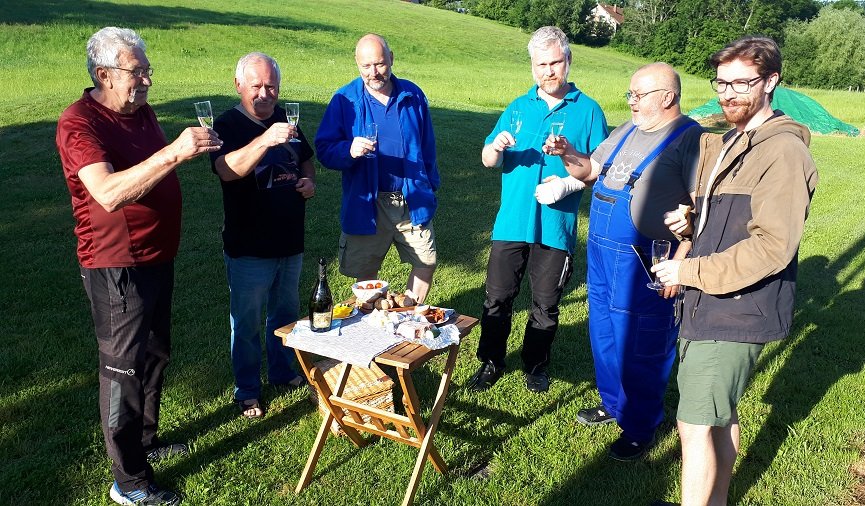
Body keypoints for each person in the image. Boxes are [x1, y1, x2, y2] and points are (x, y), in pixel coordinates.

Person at [56, 26, 222, 506]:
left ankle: (144, 442)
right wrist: (175, 151)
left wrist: (172, 156)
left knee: (154, 356)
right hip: (116, 266)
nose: (147, 80)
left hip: (156, 256)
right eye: (137, 71)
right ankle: (127, 482)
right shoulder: (78, 123)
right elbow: (107, 194)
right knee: (122, 372)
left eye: (148, 70)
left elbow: (149, 174)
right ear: (104, 74)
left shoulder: (140, 110)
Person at [652, 36, 818, 505]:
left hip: (736, 307)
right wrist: (692, 223)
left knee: (694, 424)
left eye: (742, 83)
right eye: (722, 83)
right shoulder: (729, 142)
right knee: (719, 416)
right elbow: (728, 222)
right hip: (709, 301)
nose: (729, 93)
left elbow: (772, 247)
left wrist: (687, 272)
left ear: (771, 82)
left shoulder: (782, 152)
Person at [543, 62, 703, 460]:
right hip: (602, 252)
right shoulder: (626, 131)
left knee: (642, 343)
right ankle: (614, 403)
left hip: (645, 259)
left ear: (667, 97)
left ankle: (640, 425)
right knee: (604, 332)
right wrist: (567, 153)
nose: (631, 101)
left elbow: (703, 210)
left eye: (639, 95)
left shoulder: (691, 139)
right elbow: (590, 171)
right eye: (630, 94)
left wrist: (680, 265)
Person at [467, 26, 608, 394]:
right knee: (497, 298)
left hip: (555, 226)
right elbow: (487, 160)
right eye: (541, 64)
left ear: (568, 61)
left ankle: (535, 365)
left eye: (555, 63)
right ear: (532, 66)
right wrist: (495, 147)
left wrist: (568, 178)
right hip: (511, 223)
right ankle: (491, 361)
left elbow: (600, 170)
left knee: (546, 303)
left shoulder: (588, 111)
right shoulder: (517, 107)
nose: (549, 71)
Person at [210, 52, 316, 419]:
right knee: (246, 323)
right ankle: (247, 390)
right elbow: (226, 170)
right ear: (238, 85)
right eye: (256, 85)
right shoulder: (227, 124)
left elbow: (305, 159)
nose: (264, 93)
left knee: (284, 317)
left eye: (271, 86)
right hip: (249, 245)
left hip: (290, 239)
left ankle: (282, 372)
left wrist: (309, 182)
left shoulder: (287, 118)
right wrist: (265, 139)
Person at [315, 33, 439, 303]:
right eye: (366, 66)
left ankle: (407, 314)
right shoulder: (344, 99)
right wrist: (348, 150)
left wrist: (430, 185)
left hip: (410, 197)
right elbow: (324, 149)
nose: (374, 72)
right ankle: (373, 319)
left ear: (391, 58)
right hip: (367, 202)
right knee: (366, 272)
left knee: (426, 261)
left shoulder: (412, 94)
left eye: (380, 64)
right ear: (357, 63)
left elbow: (427, 144)